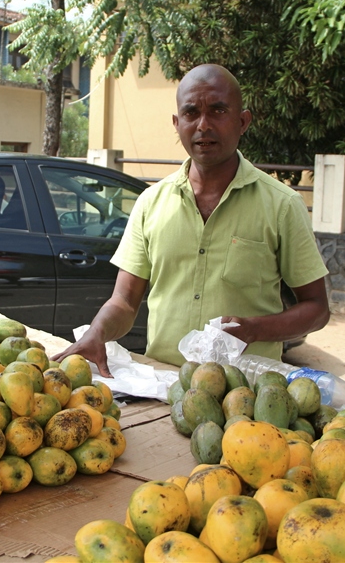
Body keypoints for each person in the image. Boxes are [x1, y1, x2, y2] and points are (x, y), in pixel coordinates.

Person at [53, 64, 330, 377]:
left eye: (218, 111)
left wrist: (253, 329)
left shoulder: (282, 205)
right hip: (163, 386)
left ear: (242, 121)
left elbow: (316, 309)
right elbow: (124, 302)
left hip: (245, 396)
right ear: (176, 123)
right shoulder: (150, 203)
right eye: (190, 113)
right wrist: (97, 331)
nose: (203, 125)